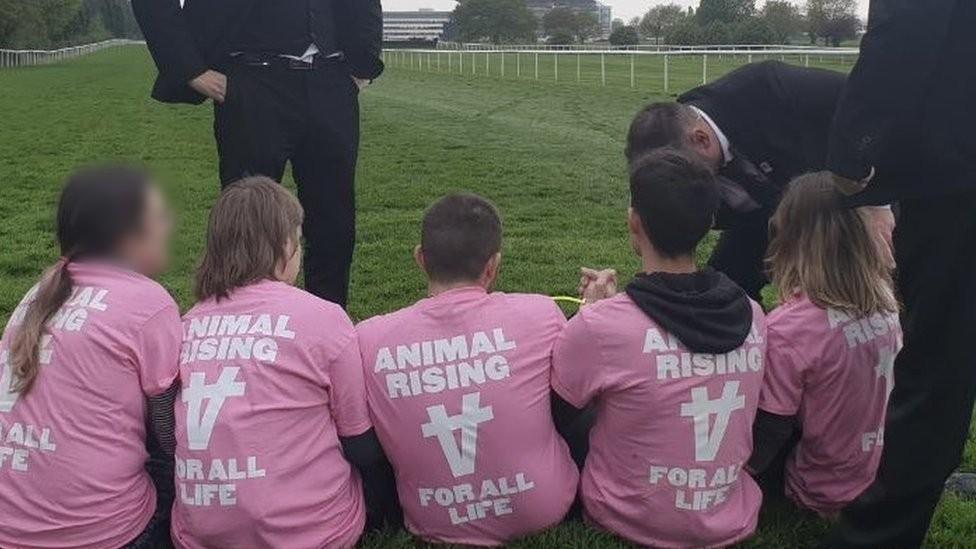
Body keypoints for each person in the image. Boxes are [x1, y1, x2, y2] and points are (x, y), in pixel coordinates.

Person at [552, 149, 767, 548]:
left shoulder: (601, 326)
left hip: (627, 518)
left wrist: (590, 316)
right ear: (708, 224)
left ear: (634, 221)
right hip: (727, 514)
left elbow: (556, 413)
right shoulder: (753, 314)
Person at [824, 1, 976, 547]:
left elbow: (908, 24)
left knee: (937, 364)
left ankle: (875, 537)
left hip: (957, 173)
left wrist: (852, 149)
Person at [171, 177, 386, 548]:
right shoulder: (323, 318)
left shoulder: (186, 324)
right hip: (312, 534)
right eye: (298, 241)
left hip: (202, 534)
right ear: (284, 244)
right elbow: (358, 441)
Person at [355, 193, 579, 546]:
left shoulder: (367, 339)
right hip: (543, 506)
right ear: (493, 266)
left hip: (432, 517)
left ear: (420, 259)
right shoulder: (540, 314)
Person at [132, 0, 384, 308]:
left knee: (334, 224)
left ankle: (329, 330)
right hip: (251, 84)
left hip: (331, 83)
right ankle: (244, 330)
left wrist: (363, 68)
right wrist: (188, 68)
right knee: (247, 223)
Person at [0, 166, 181, 548]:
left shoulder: (38, 293)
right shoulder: (149, 303)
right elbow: (168, 432)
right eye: (160, 217)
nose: (170, 226)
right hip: (99, 533)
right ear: (127, 237)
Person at [747, 173, 902, 516]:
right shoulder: (887, 306)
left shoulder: (790, 330)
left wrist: (732, 478)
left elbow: (769, 430)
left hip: (817, 490)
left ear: (791, 238)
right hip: (877, 476)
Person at [625, 61, 846, 299]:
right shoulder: (671, 154)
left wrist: (874, 201)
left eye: (681, 168)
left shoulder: (770, 88)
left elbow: (864, 106)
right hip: (756, 220)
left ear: (701, 139)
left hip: (842, 202)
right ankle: (748, 333)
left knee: (847, 292)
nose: (677, 181)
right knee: (720, 294)